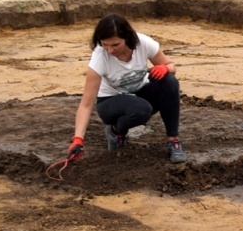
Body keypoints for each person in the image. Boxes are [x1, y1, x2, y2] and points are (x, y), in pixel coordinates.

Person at [62, 13, 186, 166]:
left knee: (169, 81)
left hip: (139, 92)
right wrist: (78, 139)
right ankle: (115, 131)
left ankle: (173, 141)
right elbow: (86, 104)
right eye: (105, 45)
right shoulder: (100, 57)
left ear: (127, 38)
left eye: (115, 45)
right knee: (141, 109)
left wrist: (165, 68)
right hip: (110, 102)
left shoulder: (143, 43)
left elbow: (171, 65)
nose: (110, 50)